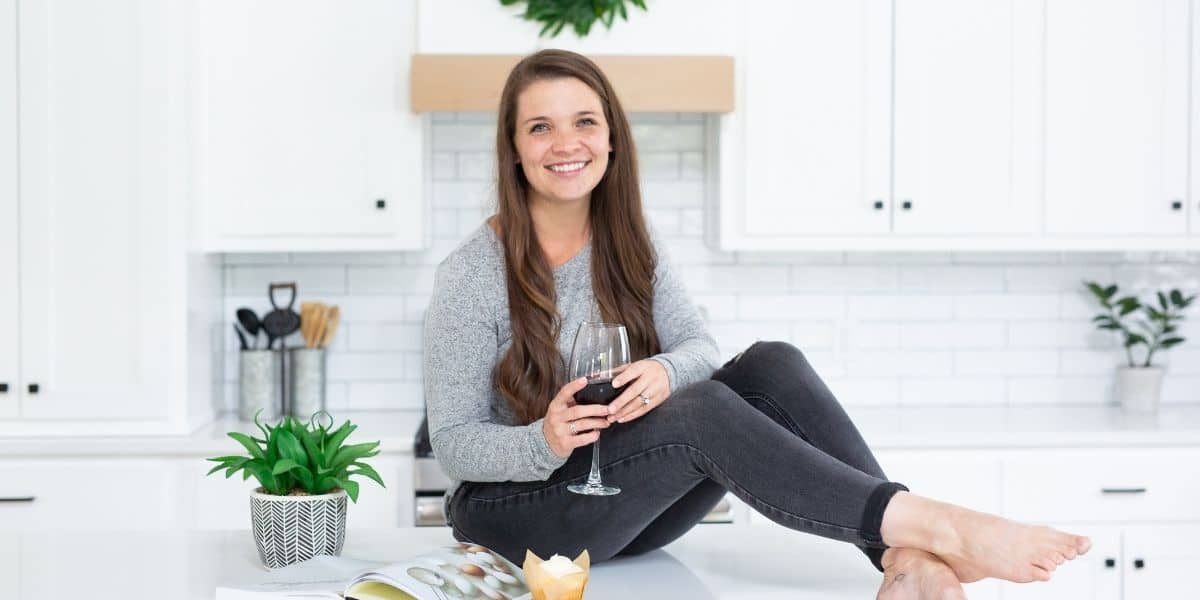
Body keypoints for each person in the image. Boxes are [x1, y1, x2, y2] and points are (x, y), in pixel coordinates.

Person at [423, 49, 1091, 599]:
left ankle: (902, 557)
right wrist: (543, 439)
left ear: (611, 138)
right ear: (513, 148)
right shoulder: (471, 274)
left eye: (585, 122)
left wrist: (663, 369)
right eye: (539, 127)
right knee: (703, 410)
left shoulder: (628, 241)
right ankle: (937, 528)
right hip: (513, 518)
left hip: (618, 501)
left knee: (771, 364)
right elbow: (452, 443)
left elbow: (700, 349)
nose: (566, 143)